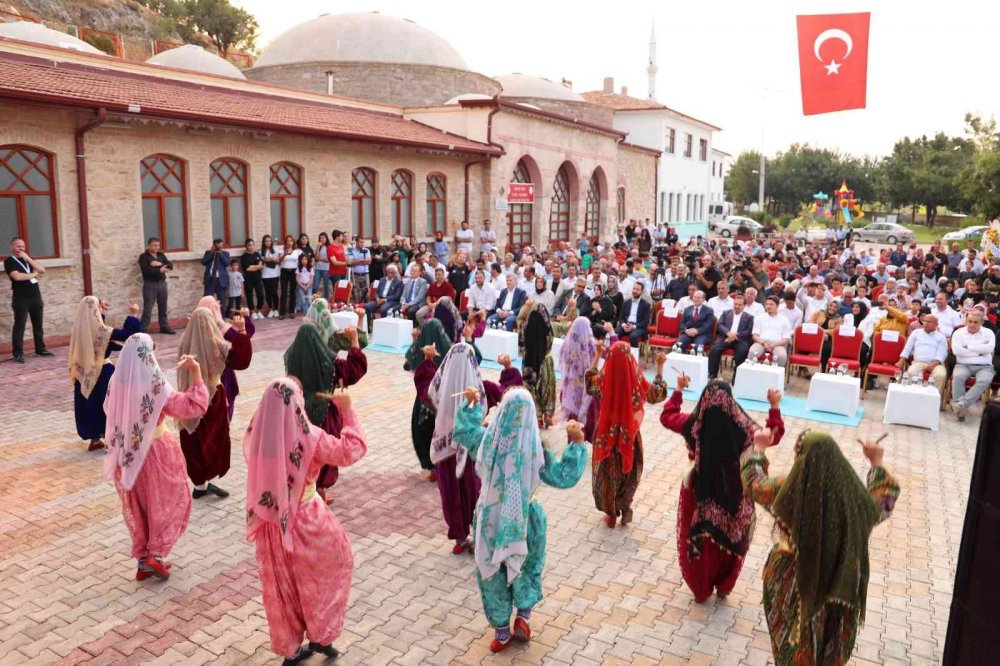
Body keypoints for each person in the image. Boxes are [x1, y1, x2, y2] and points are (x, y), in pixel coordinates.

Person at [742, 431, 900, 665]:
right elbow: (884, 499)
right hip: (838, 583)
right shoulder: (852, 497)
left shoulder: (789, 489)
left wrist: (759, 448)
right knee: (828, 645)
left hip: (795, 584)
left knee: (795, 647)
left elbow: (754, 483)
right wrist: (876, 462)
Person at [452, 387, 589, 653]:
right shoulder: (538, 451)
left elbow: (464, 431)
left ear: (501, 411)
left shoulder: (486, 440)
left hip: (490, 520)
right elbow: (565, 476)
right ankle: (523, 618)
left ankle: (501, 631)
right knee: (527, 567)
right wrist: (577, 443)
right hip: (527, 520)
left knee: (492, 572)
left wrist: (471, 404)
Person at [244, 378, 366, 665]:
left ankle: (291, 648)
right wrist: (347, 411)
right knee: (329, 569)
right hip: (306, 520)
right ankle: (321, 634)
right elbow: (353, 449)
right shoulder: (310, 437)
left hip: (272, 523)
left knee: (282, 587)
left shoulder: (260, 433)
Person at [660, 378, 783, 601]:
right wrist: (774, 406)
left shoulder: (693, 425)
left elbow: (666, 417)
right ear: (730, 402)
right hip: (736, 496)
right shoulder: (745, 429)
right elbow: (773, 435)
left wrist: (678, 390)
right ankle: (725, 585)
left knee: (703, 540)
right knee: (733, 536)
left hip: (700, 495)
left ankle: (701, 589)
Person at [104, 334, 209, 581]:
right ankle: (155, 555)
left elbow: (109, 410)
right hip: (156, 453)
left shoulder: (115, 381)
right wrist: (196, 374)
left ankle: (144, 560)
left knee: (140, 505)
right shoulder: (154, 383)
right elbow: (190, 407)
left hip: (128, 454)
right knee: (167, 502)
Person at [284, 320, 367, 501]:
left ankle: (307, 490)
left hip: (297, 417)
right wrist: (354, 341)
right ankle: (317, 491)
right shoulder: (329, 366)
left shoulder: (292, 363)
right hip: (325, 418)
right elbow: (355, 369)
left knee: (303, 454)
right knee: (323, 454)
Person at [587, 343, 667, 527]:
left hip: (606, 432)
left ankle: (611, 511)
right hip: (628, 434)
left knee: (607, 473)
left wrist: (598, 355)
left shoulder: (604, 377)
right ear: (631, 359)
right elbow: (656, 394)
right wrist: (660, 367)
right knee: (628, 469)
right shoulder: (636, 378)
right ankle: (625, 505)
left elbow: (590, 384)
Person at [177, 307, 253, 499]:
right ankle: (208, 483)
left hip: (189, 399)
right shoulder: (216, 344)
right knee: (213, 440)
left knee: (194, 440)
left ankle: (200, 485)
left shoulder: (184, 342)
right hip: (212, 397)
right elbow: (242, 360)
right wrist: (241, 331)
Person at [427, 343, 489, 554]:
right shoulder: (475, 382)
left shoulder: (443, 373)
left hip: (445, 438)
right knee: (473, 488)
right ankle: (478, 534)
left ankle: (460, 538)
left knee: (452, 491)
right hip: (469, 445)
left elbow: (433, 393)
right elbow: (483, 408)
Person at [69, 297, 141, 450]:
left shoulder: (81, 330)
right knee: (110, 404)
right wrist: (133, 315)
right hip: (103, 374)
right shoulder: (101, 332)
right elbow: (126, 334)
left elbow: (100, 335)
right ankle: (115, 440)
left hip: (85, 374)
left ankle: (95, 440)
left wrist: (101, 313)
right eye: (98, 306)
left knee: (90, 405)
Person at [405, 319, 453, 477]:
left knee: (424, 432)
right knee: (440, 432)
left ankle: (432, 468)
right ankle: (440, 467)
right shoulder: (448, 351)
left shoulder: (421, 349)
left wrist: (416, 342)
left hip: (423, 403)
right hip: (443, 403)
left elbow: (409, 362)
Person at [950, 310, 996, 420]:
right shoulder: (958, 333)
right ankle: (961, 410)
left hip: (984, 366)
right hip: (963, 364)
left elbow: (989, 348)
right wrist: (980, 350)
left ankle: (961, 405)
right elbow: (956, 351)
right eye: (969, 321)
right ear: (966, 320)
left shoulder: (989, 332)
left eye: (975, 322)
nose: (971, 324)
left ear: (981, 322)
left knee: (984, 380)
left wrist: (967, 347)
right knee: (958, 377)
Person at [558, 317, 597, 438]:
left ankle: (573, 440)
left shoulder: (568, 342)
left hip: (571, 386)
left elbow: (564, 360)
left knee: (572, 415)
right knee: (586, 413)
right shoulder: (591, 344)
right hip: (586, 386)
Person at [520, 303, 556, 428]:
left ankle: (537, 415)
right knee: (547, 389)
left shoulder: (525, 328)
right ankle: (547, 414)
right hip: (545, 361)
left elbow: (521, 346)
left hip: (529, 362)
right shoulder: (549, 328)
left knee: (530, 387)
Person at [707, 292, 754, 379]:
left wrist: (735, 335)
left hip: (740, 340)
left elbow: (749, 331)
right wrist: (728, 333)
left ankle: (737, 378)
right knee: (714, 350)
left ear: (744, 306)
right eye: (735, 304)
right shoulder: (726, 313)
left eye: (739, 305)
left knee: (742, 352)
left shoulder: (749, 317)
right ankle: (712, 375)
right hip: (726, 337)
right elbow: (720, 325)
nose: (737, 306)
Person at [897, 313, 948, 392]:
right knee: (911, 372)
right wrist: (901, 360)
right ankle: (913, 397)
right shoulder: (916, 332)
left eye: (929, 322)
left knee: (940, 375)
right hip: (918, 362)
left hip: (936, 364)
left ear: (936, 324)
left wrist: (932, 365)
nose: (926, 323)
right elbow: (908, 348)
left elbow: (942, 354)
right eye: (924, 321)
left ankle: (934, 401)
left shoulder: (941, 337)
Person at [137, 237, 175, 334]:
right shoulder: (143, 257)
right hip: (150, 285)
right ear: (148, 245)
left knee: (163, 307)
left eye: (158, 245)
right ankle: (142, 330)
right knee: (148, 309)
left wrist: (159, 264)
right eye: (154, 245)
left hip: (162, 284)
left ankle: (164, 327)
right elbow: (146, 271)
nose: (156, 247)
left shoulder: (161, 255)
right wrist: (159, 270)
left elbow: (170, 265)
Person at [750, 297, 792, 366]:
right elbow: (754, 335)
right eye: (767, 304)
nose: (768, 306)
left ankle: (777, 375)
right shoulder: (759, 318)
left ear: (777, 306)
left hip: (777, 345)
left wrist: (773, 345)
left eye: (771, 304)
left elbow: (785, 339)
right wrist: (763, 343)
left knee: (781, 356)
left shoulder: (784, 320)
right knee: (752, 352)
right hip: (761, 343)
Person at [615, 282, 651, 347]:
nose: (635, 291)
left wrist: (633, 326)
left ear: (642, 292)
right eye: (634, 289)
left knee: (633, 336)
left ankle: (633, 356)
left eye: (637, 289)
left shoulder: (646, 305)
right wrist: (623, 325)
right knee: (615, 333)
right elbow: (621, 317)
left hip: (638, 327)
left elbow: (645, 322)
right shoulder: (626, 302)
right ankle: (617, 353)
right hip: (626, 325)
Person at [813, 299, 843, 372]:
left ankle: (824, 369)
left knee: (827, 347)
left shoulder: (838, 318)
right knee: (805, 344)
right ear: (827, 305)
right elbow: (811, 323)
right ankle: (803, 368)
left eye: (835, 307)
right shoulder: (819, 312)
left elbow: (836, 331)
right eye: (831, 305)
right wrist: (820, 333)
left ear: (838, 309)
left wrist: (824, 331)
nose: (832, 308)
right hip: (815, 335)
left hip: (829, 338)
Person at [240, 239, 265, 320]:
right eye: (249, 245)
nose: (251, 247)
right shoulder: (244, 256)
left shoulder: (257, 254)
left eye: (252, 245)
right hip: (248, 278)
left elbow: (261, 266)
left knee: (260, 294)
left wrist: (253, 266)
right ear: (246, 246)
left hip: (257, 277)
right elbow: (247, 269)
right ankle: (252, 311)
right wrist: (256, 267)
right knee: (249, 295)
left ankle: (259, 310)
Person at [278, 235, 301, 319]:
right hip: (284, 271)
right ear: (285, 242)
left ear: (293, 242)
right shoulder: (282, 250)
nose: (289, 242)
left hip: (293, 272)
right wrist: (284, 254)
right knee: (283, 292)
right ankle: (282, 313)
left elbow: (301, 261)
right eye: (288, 241)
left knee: (292, 292)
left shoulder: (297, 251)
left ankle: (291, 311)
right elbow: (279, 260)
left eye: (291, 240)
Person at [201, 238, 230, 303]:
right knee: (207, 300)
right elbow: (203, 262)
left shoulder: (225, 253)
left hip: (221, 281)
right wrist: (212, 253)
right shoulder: (208, 253)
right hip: (210, 280)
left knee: (222, 301)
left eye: (221, 245)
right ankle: (208, 313)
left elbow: (227, 263)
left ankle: (221, 313)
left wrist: (220, 253)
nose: (220, 247)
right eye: (218, 245)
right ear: (214, 245)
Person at [261, 235, 281, 318]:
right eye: (266, 241)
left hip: (275, 273)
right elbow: (259, 262)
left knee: (274, 292)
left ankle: (276, 309)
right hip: (265, 274)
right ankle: (271, 309)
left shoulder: (276, 250)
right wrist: (264, 260)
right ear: (263, 242)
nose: (268, 242)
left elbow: (280, 261)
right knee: (267, 293)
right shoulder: (261, 251)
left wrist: (272, 260)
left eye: (269, 241)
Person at [347, 235, 371, 304]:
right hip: (355, 275)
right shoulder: (351, 250)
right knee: (356, 294)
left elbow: (368, 261)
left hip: (365, 274)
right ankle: (357, 307)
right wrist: (363, 261)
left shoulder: (366, 250)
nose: (362, 244)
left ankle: (366, 308)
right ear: (356, 242)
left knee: (366, 293)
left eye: (363, 242)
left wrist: (356, 261)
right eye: (361, 242)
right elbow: (350, 262)